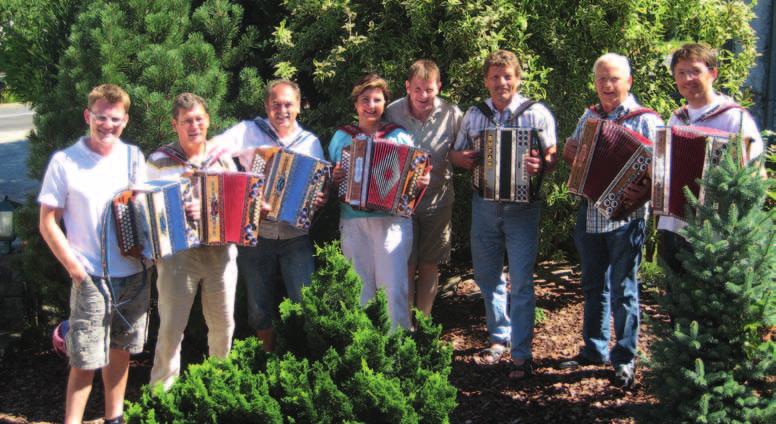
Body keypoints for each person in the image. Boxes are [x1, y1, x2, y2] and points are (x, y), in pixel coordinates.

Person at [38, 84, 149, 424]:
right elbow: (47, 223)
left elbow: (144, 211)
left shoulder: (134, 157)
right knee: (84, 361)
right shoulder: (66, 162)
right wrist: (77, 271)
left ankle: (114, 418)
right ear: (88, 116)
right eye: (101, 117)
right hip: (91, 279)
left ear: (125, 120)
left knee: (121, 355)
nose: (107, 125)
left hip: (134, 277)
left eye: (115, 119)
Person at [449, 50, 557, 381]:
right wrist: (462, 159)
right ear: (486, 81)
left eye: (507, 76)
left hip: (522, 208)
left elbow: (552, 154)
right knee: (487, 276)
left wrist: (543, 163)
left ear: (518, 78)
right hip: (484, 205)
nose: (501, 82)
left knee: (522, 282)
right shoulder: (474, 115)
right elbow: (454, 152)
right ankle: (499, 338)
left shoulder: (536, 113)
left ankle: (521, 355)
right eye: (495, 77)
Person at [559, 53, 664, 388]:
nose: (607, 85)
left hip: (627, 217)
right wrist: (569, 152)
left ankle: (625, 358)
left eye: (614, 78)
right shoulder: (588, 117)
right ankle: (594, 349)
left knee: (623, 289)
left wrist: (644, 193)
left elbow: (661, 173)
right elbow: (573, 157)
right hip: (590, 213)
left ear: (628, 81)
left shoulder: (647, 120)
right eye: (602, 78)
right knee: (593, 285)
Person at [211, 79, 325, 352]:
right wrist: (241, 189)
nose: (282, 110)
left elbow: (320, 187)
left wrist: (320, 199)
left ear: (298, 106)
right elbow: (212, 151)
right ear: (266, 106)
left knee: (304, 303)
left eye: (288, 104)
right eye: (276, 104)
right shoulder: (250, 131)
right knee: (258, 308)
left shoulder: (310, 143)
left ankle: (300, 360)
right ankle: (267, 357)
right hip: (257, 234)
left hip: (295, 236)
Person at [145, 93, 238, 390]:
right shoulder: (159, 161)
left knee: (223, 328)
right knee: (171, 330)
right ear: (175, 124)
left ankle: (219, 391)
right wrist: (180, 211)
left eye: (199, 119)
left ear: (208, 121)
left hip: (220, 255)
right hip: (178, 257)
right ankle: (162, 398)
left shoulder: (222, 157)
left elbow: (237, 199)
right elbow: (146, 209)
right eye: (187, 121)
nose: (194, 126)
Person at [329, 73, 429, 330]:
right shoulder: (342, 137)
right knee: (361, 290)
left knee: (393, 289)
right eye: (365, 99)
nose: (370, 105)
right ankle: (367, 350)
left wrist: (419, 183)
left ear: (385, 104)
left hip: (392, 222)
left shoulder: (399, 137)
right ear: (356, 104)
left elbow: (413, 180)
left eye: (377, 99)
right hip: (353, 221)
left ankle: (396, 352)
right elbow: (329, 176)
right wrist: (335, 175)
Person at [659, 43, 764, 274]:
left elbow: (756, 174)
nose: (688, 78)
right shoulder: (676, 119)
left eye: (695, 71)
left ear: (713, 73)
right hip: (673, 224)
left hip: (715, 229)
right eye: (681, 73)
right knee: (674, 298)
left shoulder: (734, 118)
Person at [385, 59, 463, 317]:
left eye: (429, 89)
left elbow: (462, 151)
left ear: (438, 87)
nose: (423, 95)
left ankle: (423, 323)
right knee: (405, 264)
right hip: (401, 203)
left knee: (430, 264)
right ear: (408, 87)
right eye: (417, 89)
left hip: (437, 201)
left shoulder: (453, 114)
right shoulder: (392, 112)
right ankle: (404, 324)